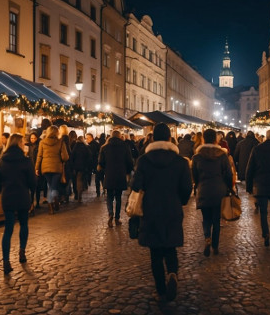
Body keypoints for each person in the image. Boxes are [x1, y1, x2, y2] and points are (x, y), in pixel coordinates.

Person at [131, 123, 192, 302]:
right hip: (172, 207)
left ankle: (161, 290)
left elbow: (135, 185)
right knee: (170, 247)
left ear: (152, 138)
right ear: (169, 138)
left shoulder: (143, 160)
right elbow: (187, 187)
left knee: (155, 252)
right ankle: (172, 273)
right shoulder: (180, 162)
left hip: (150, 208)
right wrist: (180, 200)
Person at [0, 134, 36, 274]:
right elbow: (32, 181)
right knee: (24, 224)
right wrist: (32, 195)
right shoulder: (26, 161)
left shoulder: (1, 161)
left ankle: (6, 260)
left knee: (8, 228)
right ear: (19, 144)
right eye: (23, 142)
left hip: (7, 196)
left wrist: (2, 189)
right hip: (23, 195)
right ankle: (22, 250)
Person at [191, 129, 233, 257]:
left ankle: (207, 237)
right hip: (219, 191)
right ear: (216, 139)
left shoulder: (197, 156)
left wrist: (198, 185)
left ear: (203, 139)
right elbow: (228, 174)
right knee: (216, 220)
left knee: (206, 219)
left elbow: (194, 175)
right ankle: (215, 245)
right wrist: (228, 187)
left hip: (204, 190)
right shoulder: (221, 155)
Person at [98, 130, 134, 227]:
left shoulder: (104, 147)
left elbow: (101, 162)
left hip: (109, 174)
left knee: (109, 196)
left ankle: (110, 213)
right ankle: (117, 218)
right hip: (120, 174)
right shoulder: (125, 146)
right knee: (118, 197)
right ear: (120, 137)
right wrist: (127, 172)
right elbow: (130, 161)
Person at [35, 126, 69, 214]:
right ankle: (54, 200)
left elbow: (39, 156)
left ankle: (51, 206)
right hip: (57, 167)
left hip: (45, 167)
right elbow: (65, 157)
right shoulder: (60, 142)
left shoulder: (42, 142)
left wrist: (36, 168)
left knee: (50, 185)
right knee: (53, 186)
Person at [28, 132, 47, 209]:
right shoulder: (27, 146)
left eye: (34, 138)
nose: (33, 140)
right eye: (31, 138)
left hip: (37, 167)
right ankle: (32, 202)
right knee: (32, 187)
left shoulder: (40, 145)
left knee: (38, 186)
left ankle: (37, 202)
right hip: (30, 167)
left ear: (37, 138)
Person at [70, 136, 92, 202]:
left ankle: (76, 194)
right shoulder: (86, 147)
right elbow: (89, 157)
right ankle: (80, 194)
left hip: (75, 167)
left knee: (75, 181)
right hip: (83, 167)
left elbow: (72, 157)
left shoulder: (75, 147)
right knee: (80, 180)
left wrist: (72, 166)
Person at [85, 133, 102, 197]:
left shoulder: (91, 145)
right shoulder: (96, 144)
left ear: (91, 138)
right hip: (97, 163)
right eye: (86, 138)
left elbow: (91, 155)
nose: (86, 139)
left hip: (95, 163)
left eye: (88, 138)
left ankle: (98, 191)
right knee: (98, 178)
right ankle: (99, 191)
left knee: (97, 178)